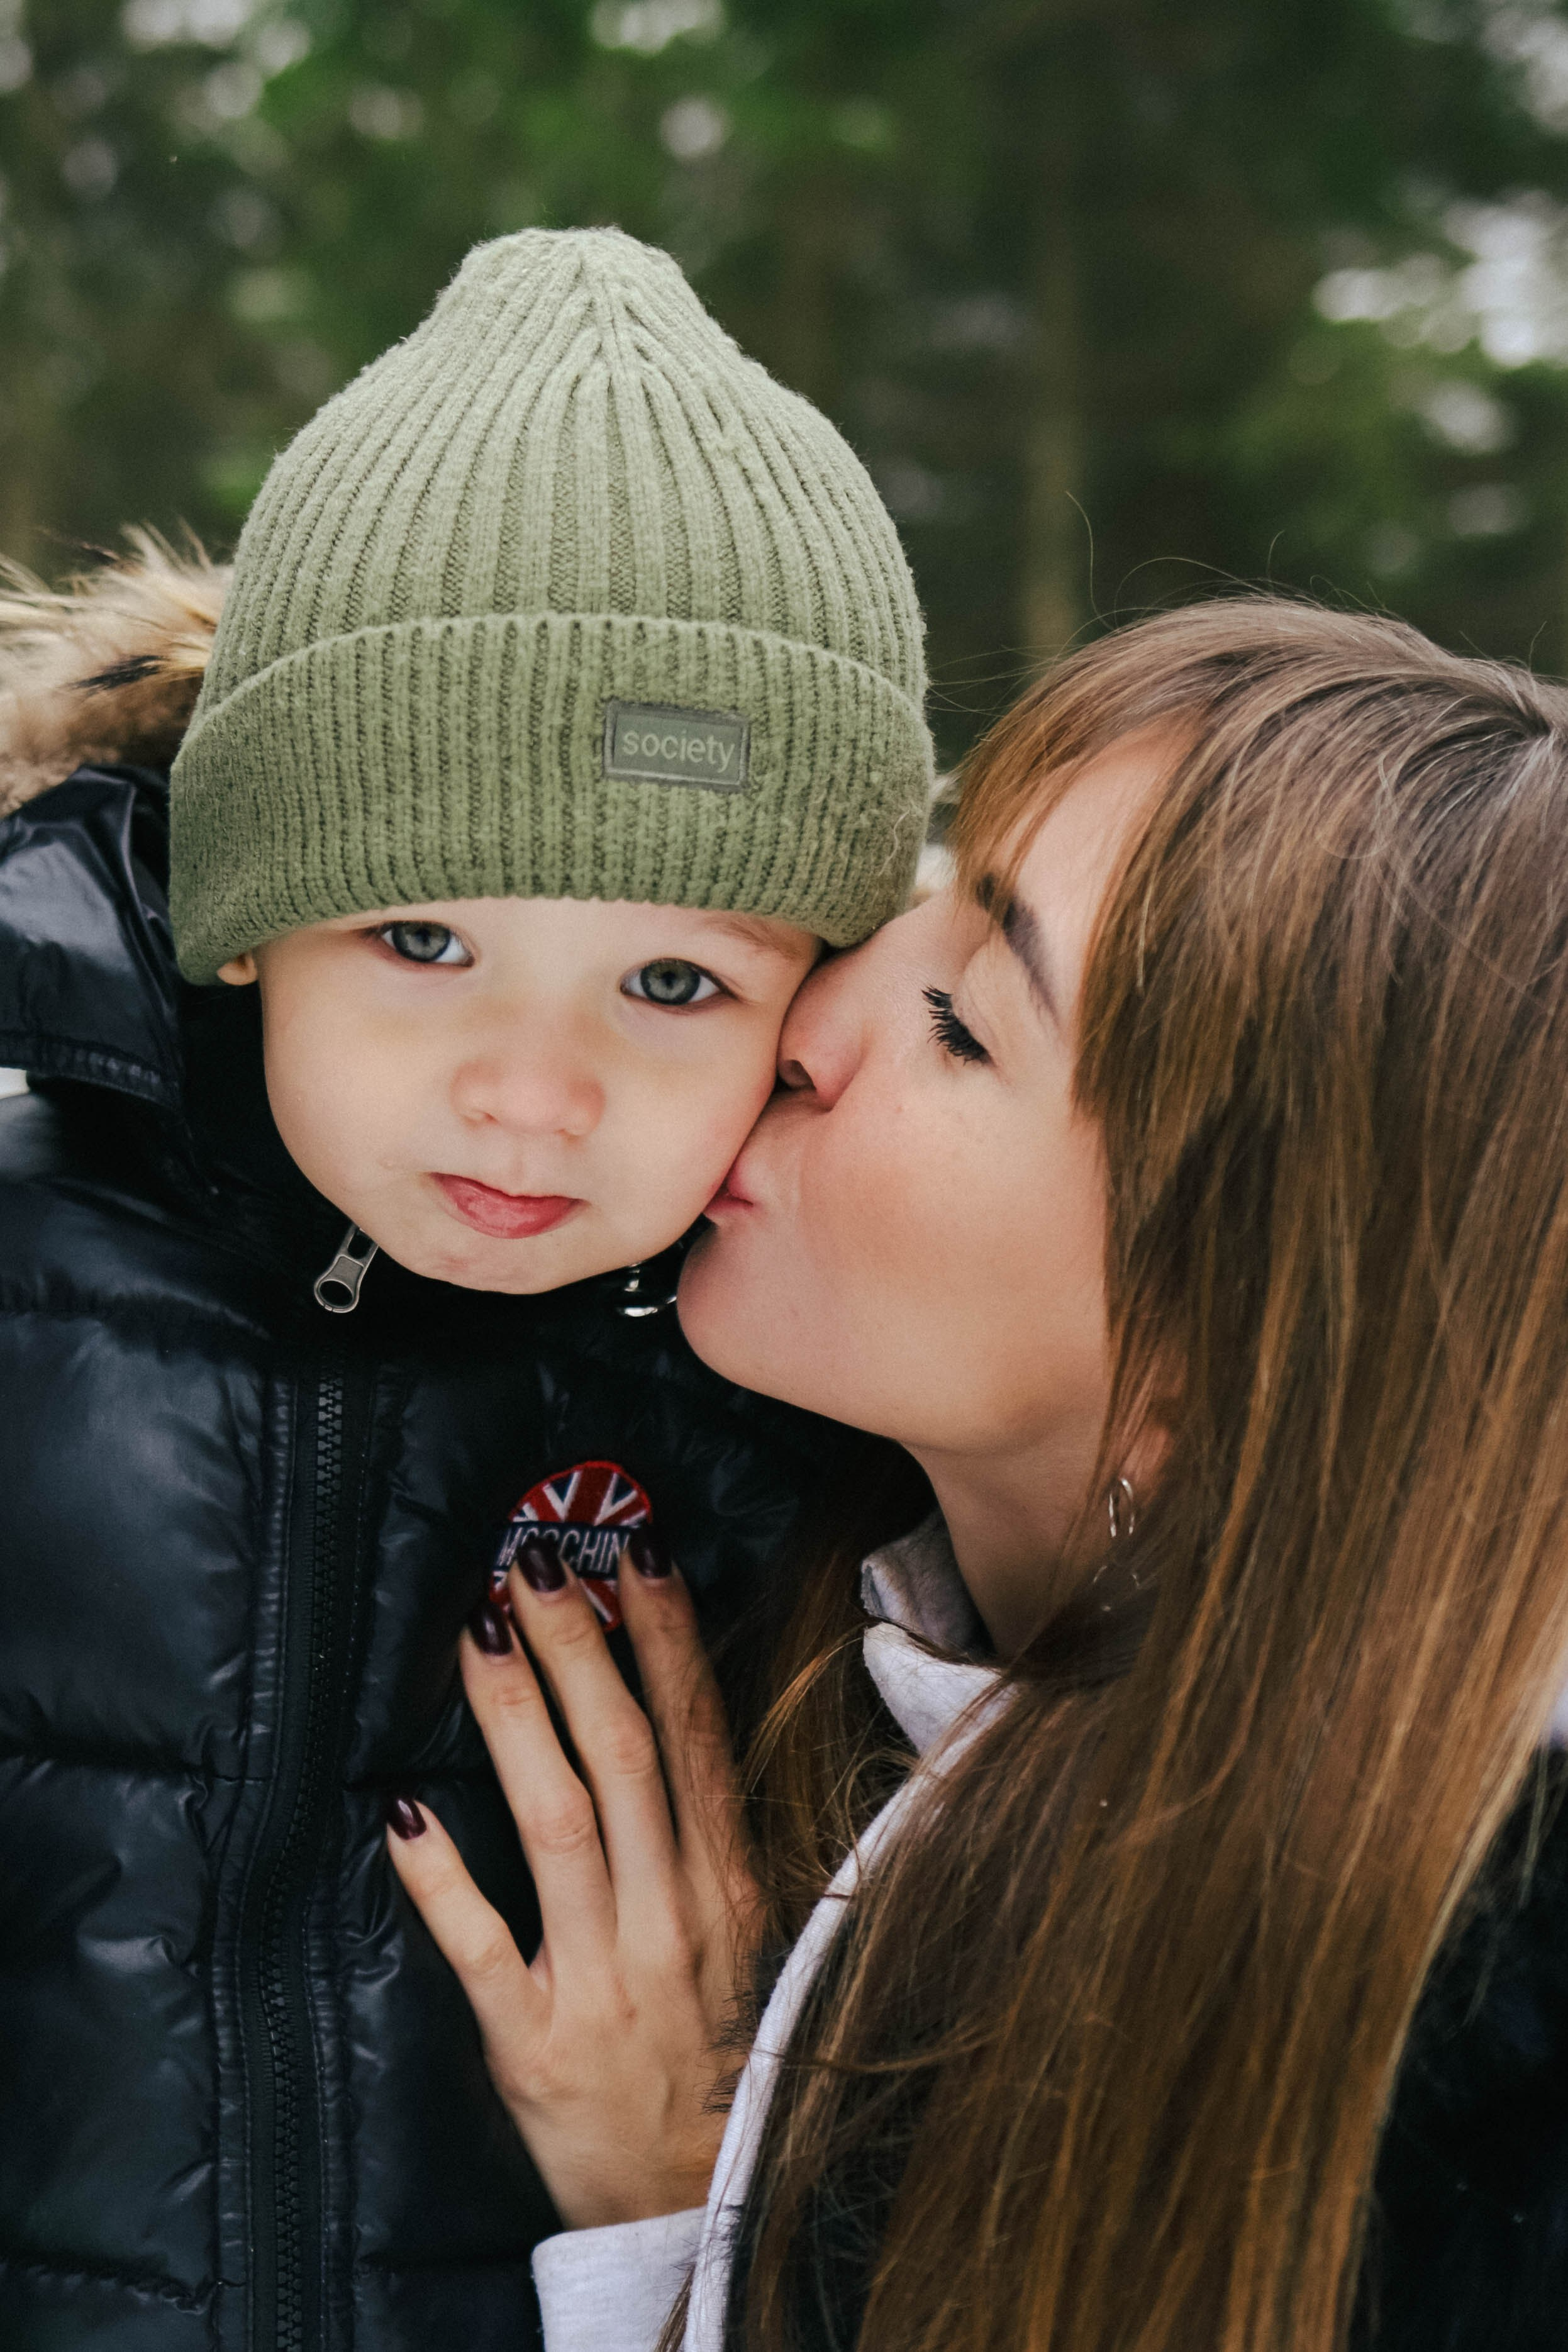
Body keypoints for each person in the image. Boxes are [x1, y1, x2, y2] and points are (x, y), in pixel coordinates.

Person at [394, 595, 1568, 2352]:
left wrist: (676, 2210)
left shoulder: (1481, 2081)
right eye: (925, 881)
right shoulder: (804, 1557)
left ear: (1237, 1345)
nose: (812, 1006)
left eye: (965, 1020)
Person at [0, 226, 931, 2349]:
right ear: (247, 915)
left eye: (673, 979)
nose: (532, 1092)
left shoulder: (801, 1415)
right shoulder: (27, 1279)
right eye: (420, 940)